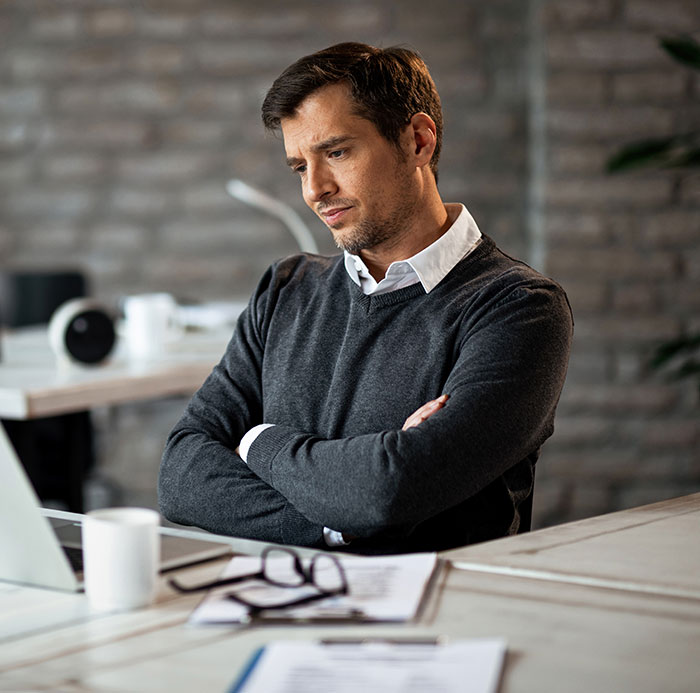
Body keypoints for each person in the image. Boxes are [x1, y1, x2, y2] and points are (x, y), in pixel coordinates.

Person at [158, 42, 573, 554]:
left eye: (336, 152)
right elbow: (181, 475)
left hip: (441, 617)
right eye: (298, 167)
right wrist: (339, 518)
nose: (315, 189)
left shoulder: (519, 308)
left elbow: (386, 489)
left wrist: (253, 441)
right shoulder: (286, 287)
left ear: (418, 141)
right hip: (282, 603)